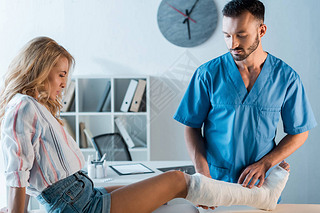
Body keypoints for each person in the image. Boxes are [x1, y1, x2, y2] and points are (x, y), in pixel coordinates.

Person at [0, 37, 291, 213]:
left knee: (161, 187)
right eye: (60, 74)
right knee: (178, 180)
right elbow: (17, 174)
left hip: (81, 194)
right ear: (39, 68)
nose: (65, 83)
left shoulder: (34, 107)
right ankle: (261, 197)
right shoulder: (23, 106)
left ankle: (246, 196)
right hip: (77, 205)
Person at [174, 0, 317, 192]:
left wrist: (267, 163)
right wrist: (203, 174)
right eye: (227, 35)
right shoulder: (207, 74)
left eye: (241, 35)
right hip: (215, 183)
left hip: (261, 186)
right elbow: (191, 126)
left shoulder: (286, 78)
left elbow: (299, 131)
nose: (232, 44)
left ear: (262, 31)